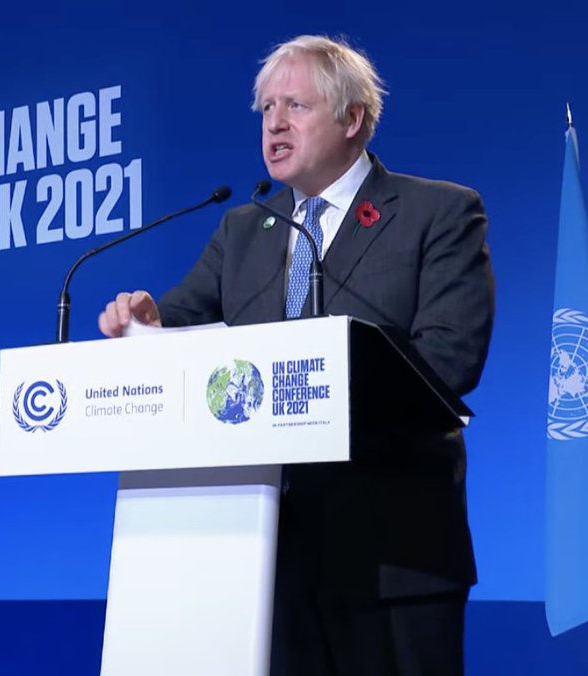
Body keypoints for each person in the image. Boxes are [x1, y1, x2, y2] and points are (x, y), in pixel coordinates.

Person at [97, 35, 494, 676]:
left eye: (295, 106)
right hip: (264, 562)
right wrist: (145, 323)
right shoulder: (243, 228)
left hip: (394, 553)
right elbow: (175, 324)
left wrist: (321, 392)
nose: (274, 124)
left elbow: (451, 359)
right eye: (266, 109)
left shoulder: (438, 212)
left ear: (352, 118)